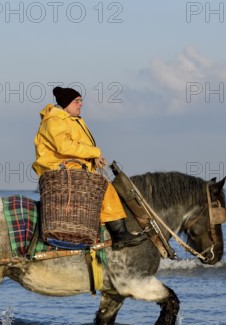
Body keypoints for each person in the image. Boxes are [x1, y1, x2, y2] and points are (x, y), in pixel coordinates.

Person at [32, 86, 146, 250]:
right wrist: (95, 152)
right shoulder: (55, 120)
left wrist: (93, 159)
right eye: (76, 101)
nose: (80, 104)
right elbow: (64, 147)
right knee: (104, 187)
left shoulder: (70, 119)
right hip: (61, 169)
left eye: (81, 101)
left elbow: (77, 147)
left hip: (73, 167)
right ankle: (120, 235)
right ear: (66, 103)